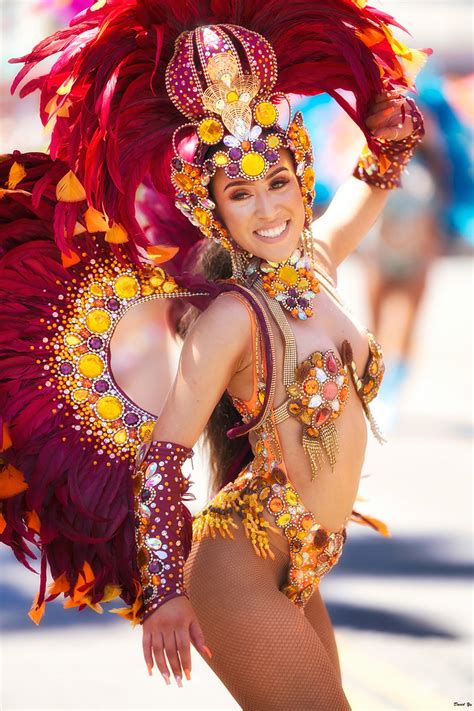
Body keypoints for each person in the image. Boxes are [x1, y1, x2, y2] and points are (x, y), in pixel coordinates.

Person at [0, 3, 429, 710]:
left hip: (304, 564)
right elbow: (164, 455)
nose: (267, 208)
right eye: (241, 193)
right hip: (240, 570)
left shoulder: (313, 268)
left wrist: (394, 129)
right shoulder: (233, 317)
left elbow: (378, 178)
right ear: (215, 213)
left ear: (301, 179)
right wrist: (167, 592)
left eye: (278, 182)